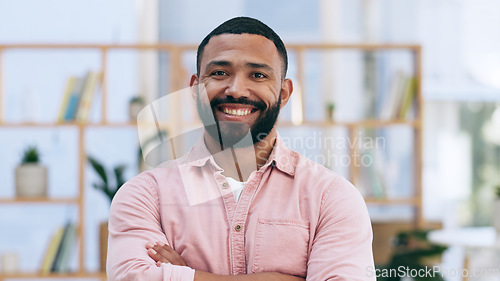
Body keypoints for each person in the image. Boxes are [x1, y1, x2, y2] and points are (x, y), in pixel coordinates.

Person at [107, 16, 375, 281]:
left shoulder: (331, 197)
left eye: (257, 75)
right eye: (219, 73)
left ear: (283, 93)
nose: (236, 89)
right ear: (195, 89)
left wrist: (185, 276)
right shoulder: (144, 195)